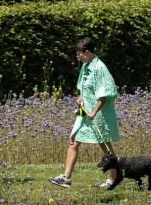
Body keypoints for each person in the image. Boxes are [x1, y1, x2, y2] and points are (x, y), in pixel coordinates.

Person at [50, 37, 119, 188]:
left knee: (105, 145)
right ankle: (66, 178)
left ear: (87, 52)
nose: (77, 56)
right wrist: (81, 97)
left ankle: (114, 177)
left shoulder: (100, 68)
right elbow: (84, 87)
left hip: (98, 113)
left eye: (79, 53)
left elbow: (105, 95)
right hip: (85, 112)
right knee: (73, 140)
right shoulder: (85, 66)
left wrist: (94, 112)